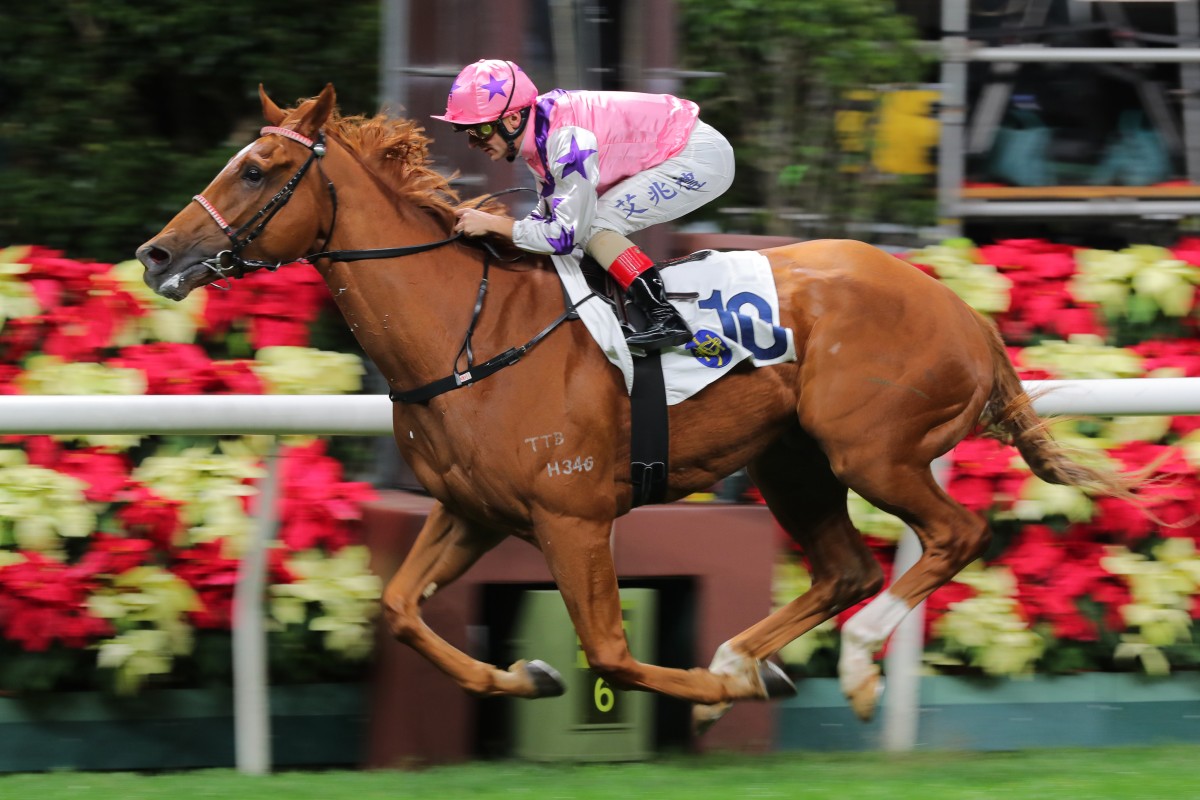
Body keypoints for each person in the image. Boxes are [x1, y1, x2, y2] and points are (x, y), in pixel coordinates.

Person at [432, 58, 735, 350]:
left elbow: (564, 236)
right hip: (679, 148)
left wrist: (493, 224)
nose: (473, 142)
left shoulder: (566, 139)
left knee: (596, 225)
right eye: (467, 132)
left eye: (481, 129)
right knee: (588, 226)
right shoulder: (541, 133)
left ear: (513, 119)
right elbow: (548, 215)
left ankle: (664, 317)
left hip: (697, 158)